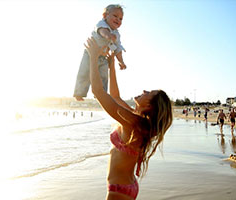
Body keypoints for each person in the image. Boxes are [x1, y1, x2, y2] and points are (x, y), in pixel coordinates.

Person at [85, 37, 173, 200]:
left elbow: (98, 92)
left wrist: (92, 57)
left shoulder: (135, 123)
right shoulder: (136, 119)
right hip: (125, 186)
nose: (145, 90)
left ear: (150, 107)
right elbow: (116, 96)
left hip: (119, 189)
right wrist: (112, 65)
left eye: (149, 93)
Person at [73, 4, 127, 101]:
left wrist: (121, 61)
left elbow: (118, 48)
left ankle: (101, 94)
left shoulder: (117, 34)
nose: (118, 20)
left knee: (104, 76)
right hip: (90, 54)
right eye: (115, 16)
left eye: (121, 18)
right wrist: (108, 36)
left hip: (103, 57)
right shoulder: (102, 24)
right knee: (84, 73)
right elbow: (102, 32)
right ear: (105, 16)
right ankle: (79, 93)